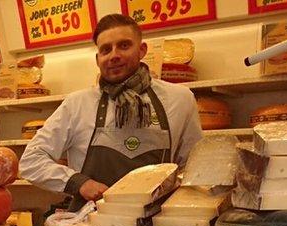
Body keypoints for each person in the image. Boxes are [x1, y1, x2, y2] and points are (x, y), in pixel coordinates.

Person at [19, 14, 203, 210]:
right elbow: (31, 161)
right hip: (91, 225)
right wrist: (79, 183)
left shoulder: (180, 99)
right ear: (98, 59)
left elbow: (194, 167)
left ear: (142, 50)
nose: (114, 55)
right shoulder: (77, 104)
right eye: (106, 50)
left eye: (124, 45)